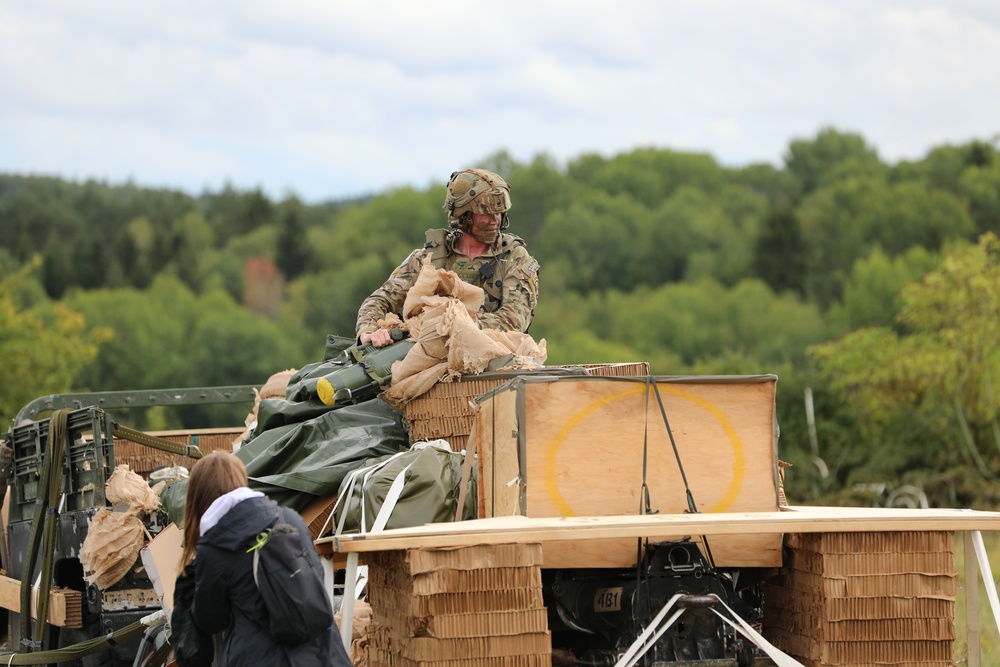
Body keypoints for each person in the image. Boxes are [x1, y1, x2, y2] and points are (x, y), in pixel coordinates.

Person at [177, 451, 351, 667]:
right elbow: (314, 576)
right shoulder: (289, 518)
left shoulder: (215, 548)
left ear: (198, 497)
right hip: (321, 654)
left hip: (257, 657)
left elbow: (211, 620)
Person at [357, 168, 540, 347]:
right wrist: (369, 331)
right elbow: (380, 300)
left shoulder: (514, 258)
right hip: (425, 353)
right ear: (463, 215)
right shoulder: (429, 258)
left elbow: (514, 320)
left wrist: (451, 330)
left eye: (499, 212)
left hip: (490, 357)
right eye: (486, 213)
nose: (495, 220)